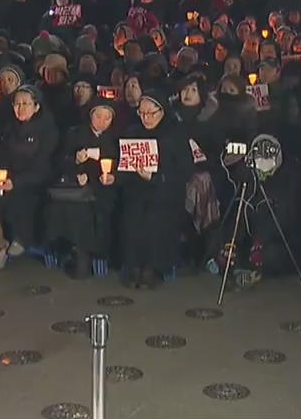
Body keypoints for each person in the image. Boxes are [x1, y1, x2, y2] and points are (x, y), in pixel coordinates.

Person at [116, 90, 195, 288]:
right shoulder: (133, 132)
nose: (146, 118)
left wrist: (156, 176)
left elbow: (185, 170)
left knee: (156, 217)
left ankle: (154, 267)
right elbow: (123, 165)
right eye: (142, 113)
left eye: (151, 113)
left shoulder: (175, 133)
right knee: (132, 215)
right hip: (137, 189)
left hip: (166, 190)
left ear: (162, 111)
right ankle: (134, 265)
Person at [0, 85, 58, 270]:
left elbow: (44, 165)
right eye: (17, 104)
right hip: (8, 178)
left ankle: (22, 238)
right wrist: (2, 175)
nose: (20, 108)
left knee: (22, 201)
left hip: (35, 180)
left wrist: (17, 182)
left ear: (36, 107)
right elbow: (0, 155)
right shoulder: (8, 128)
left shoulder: (48, 130)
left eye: (26, 104)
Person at [45, 97, 119, 279]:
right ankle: (79, 252)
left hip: (104, 187)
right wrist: (76, 164)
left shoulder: (116, 138)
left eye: (107, 118)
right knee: (74, 210)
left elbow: (121, 164)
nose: (102, 122)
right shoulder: (75, 133)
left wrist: (111, 176)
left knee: (102, 209)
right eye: (98, 116)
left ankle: (96, 253)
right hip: (76, 189)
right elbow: (59, 161)